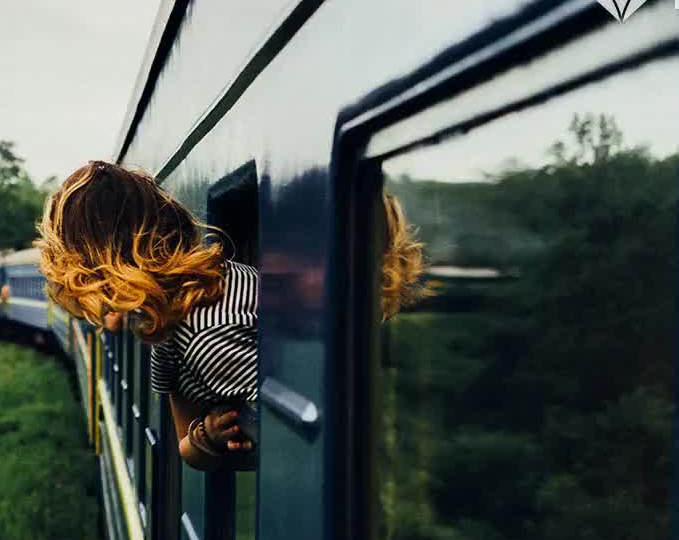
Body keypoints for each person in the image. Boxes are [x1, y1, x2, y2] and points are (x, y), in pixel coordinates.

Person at [35, 160, 429, 472]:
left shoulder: (206, 334)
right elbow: (188, 442)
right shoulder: (184, 320)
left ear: (99, 270)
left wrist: (213, 437)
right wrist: (206, 436)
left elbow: (305, 438)